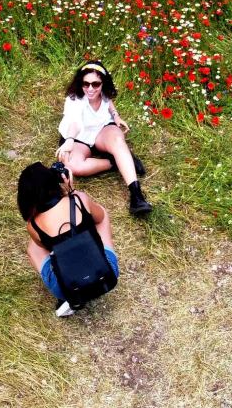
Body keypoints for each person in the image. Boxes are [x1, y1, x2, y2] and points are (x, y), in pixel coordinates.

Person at [18, 161, 119, 317]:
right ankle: (105, 255)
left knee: (33, 248)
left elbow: (44, 247)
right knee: (102, 214)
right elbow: (99, 217)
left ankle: (63, 297)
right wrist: (72, 192)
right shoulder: (79, 199)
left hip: (68, 288)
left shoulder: (33, 226)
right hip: (106, 275)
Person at [56, 60, 153, 217]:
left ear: (103, 83)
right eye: (86, 84)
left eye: (96, 84)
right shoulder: (74, 99)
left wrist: (116, 116)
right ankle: (117, 161)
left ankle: (137, 196)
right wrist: (69, 140)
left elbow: (109, 102)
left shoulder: (104, 93)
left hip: (101, 129)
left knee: (118, 140)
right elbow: (74, 122)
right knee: (75, 166)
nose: (90, 89)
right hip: (78, 137)